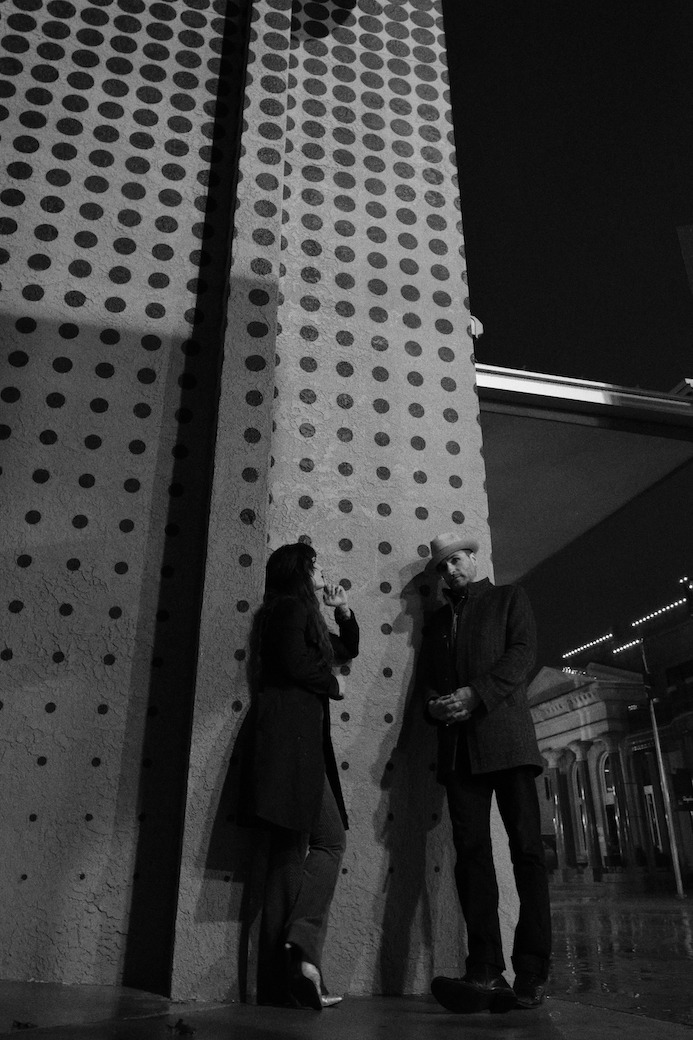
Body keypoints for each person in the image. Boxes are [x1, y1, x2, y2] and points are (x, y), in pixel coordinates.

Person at [419, 530, 551, 1013]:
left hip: (509, 741)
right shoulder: (435, 622)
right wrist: (436, 706)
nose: (451, 570)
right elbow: (428, 682)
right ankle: (485, 969)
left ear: (474, 559)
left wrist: (475, 694)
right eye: (443, 566)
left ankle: (532, 971)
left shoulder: (508, 598)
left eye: (457, 561)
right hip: (458, 751)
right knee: (472, 858)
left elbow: (522, 655)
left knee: (527, 853)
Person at [247, 541, 359, 1011]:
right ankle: (302, 944)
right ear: (299, 569)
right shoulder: (290, 607)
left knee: (287, 855)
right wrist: (334, 685)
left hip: (289, 741)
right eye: (315, 565)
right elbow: (295, 664)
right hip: (290, 740)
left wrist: (343, 610)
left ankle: (282, 984)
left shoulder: (298, 612)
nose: (321, 572)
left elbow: (345, 647)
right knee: (330, 841)